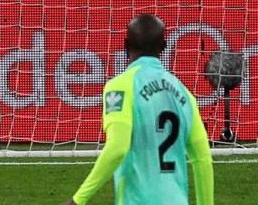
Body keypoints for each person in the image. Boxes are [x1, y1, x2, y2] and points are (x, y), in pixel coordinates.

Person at [65, 15, 214, 205]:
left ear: (126, 45)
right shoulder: (185, 94)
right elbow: (203, 160)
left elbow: (118, 148)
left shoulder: (119, 87)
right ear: (164, 47)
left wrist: (78, 200)